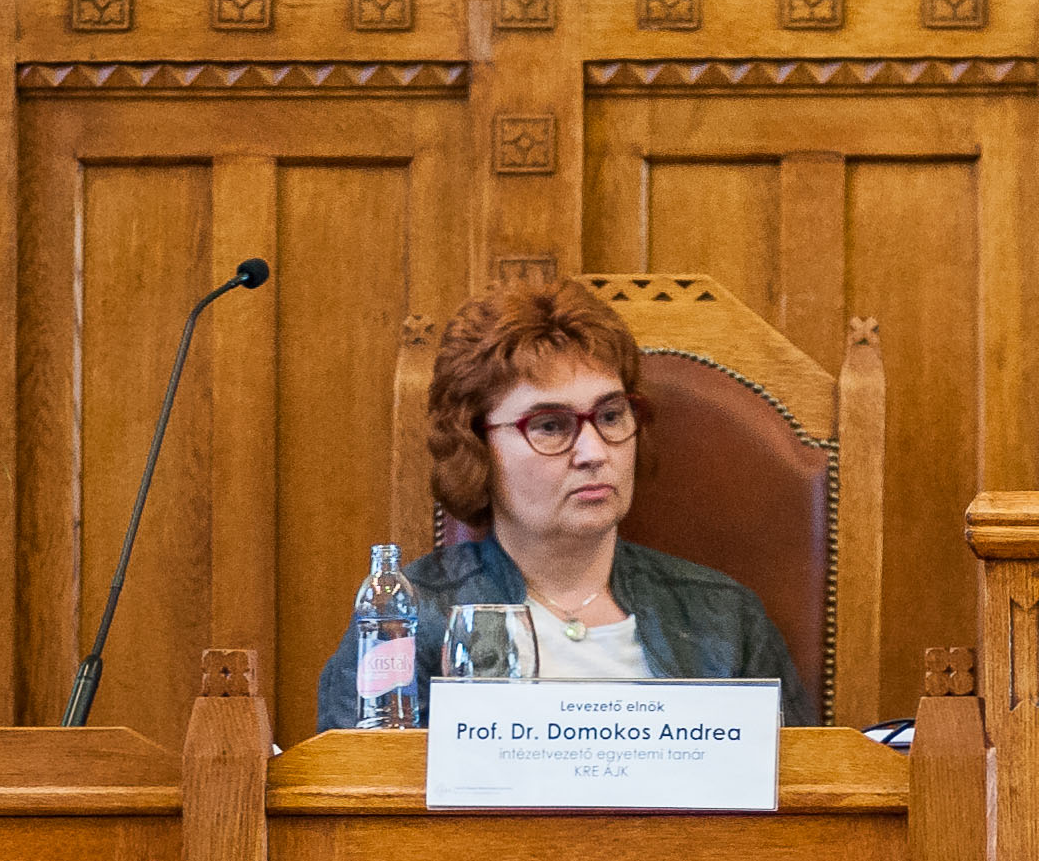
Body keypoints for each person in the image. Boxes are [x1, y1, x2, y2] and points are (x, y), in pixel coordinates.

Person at [316, 278, 815, 728]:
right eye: (550, 426)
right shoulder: (407, 623)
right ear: (476, 447)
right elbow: (361, 797)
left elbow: (799, 792)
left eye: (611, 416)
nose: (594, 453)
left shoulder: (725, 618)